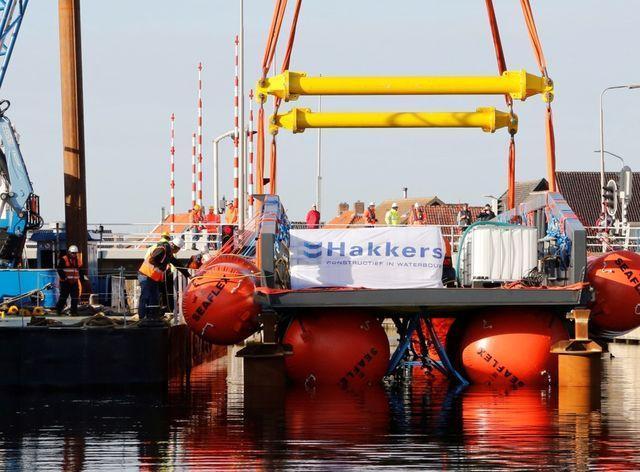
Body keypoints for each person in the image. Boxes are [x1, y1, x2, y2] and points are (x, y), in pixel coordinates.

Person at [138, 237, 190, 320]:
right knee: (146, 296)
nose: (177, 251)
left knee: (154, 297)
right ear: (174, 247)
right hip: (146, 275)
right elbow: (152, 259)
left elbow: (177, 263)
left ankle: (151, 317)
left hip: (153, 277)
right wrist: (160, 266)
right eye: (178, 249)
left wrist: (188, 275)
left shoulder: (168, 253)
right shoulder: (162, 249)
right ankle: (142, 317)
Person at [55, 244, 82, 315]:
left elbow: (80, 270)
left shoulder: (78, 261)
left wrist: (81, 278)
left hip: (74, 282)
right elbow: (59, 269)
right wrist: (64, 277)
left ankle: (74, 312)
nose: (74, 254)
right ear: (69, 252)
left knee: (75, 298)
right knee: (63, 297)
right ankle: (58, 310)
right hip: (65, 282)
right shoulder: (64, 259)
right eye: (73, 253)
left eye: (75, 253)